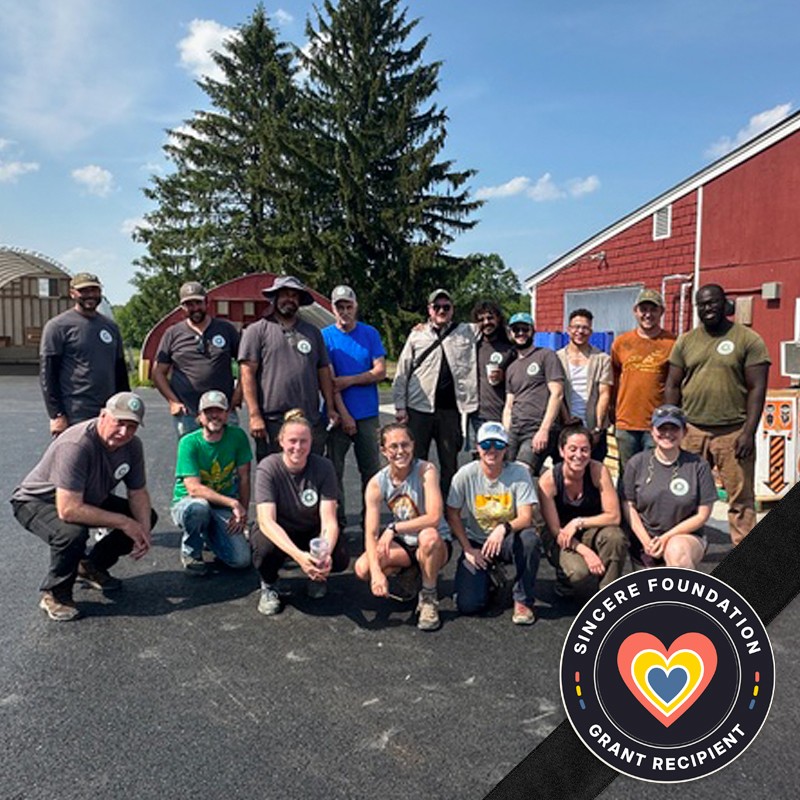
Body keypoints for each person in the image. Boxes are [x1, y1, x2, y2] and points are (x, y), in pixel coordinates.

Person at [10, 392, 155, 621]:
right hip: (38, 501)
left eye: (132, 426)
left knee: (146, 516)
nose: (124, 433)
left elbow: (137, 491)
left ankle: (90, 567)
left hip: (87, 497)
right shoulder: (75, 444)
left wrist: (143, 530)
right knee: (71, 534)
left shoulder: (132, 446)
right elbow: (68, 509)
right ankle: (55, 595)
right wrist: (125, 523)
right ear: (103, 415)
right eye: (119, 423)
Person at [665, 284, 770, 545]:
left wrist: (749, 431)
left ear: (725, 304)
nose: (707, 308)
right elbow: (672, 385)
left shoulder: (747, 339)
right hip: (692, 431)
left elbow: (758, 388)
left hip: (733, 432)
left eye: (712, 303)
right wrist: (674, 424)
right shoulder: (686, 341)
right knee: (683, 493)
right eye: (702, 304)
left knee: (741, 498)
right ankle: (682, 548)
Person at [354, 423, 451, 631]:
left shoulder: (426, 470)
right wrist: (377, 573)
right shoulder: (376, 484)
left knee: (428, 537)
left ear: (413, 445)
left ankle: (428, 597)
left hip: (435, 541)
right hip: (407, 542)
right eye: (393, 447)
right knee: (363, 569)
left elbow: (434, 516)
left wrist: (393, 529)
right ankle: (413, 571)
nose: (400, 451)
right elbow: (371, 533)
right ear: (383, 451)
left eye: (405, 445)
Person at [251, 410, 348, 616]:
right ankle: (269, 584)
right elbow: (267, 521)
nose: (298, 447)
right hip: (280, 529)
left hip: (309, 530)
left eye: (303, 441)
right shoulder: (268, 468)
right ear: (281, 441)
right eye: (292, 441)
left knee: (340, 556)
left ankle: (318, 576)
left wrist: (325, 554)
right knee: (263, 550)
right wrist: (299, 557)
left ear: (311, 441)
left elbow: (330, 520)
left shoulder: (324, 467)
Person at [446, 421, 540, 625]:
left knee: (530, 539)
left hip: (508, 539)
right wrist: (468, 549)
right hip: (478, 543)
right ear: (477, 447)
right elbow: (452, 514)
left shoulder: (519, 473)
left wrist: (503, 528)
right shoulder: (465, 474)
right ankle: (489, 577)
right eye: (486, 444)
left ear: (506, 449)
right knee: (469, 605)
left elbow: (526, 516)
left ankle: (522, 600)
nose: (492, 450)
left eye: (498, 445)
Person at [239, 275, 338, 461]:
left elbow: (323, 371)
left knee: (309, 476)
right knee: (273, 474)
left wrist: (330, 407)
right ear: (274, 298)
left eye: (294, 295)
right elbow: (247, 374)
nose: (290, 299)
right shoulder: (257, 330)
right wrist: (254, 415)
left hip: (309, 419)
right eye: (285, 294)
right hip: (271, 421)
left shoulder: (312, 332)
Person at [392, 288, 479, 497]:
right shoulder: (417, 334)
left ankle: (448, 512)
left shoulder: (467, 331)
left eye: (446, 307)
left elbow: (493, 325)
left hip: (451, 410)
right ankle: (417, 505)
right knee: (415, 460)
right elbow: (402, 371)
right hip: (419, 408)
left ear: (452, 310)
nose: (442, 310)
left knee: (450, 463)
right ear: (429, 310)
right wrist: (400, 406)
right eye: (437, 307)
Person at [620, 404, 718, 569]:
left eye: (674, 429)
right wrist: (646, 541)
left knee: (676, 550)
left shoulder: (698, 465)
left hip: (685, 537)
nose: (667, 434)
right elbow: (628, 505)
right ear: (652, 431)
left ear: (684, 432)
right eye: (662, 428)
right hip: (645, 538)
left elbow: (702, 515)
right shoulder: (637, 463)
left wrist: (665, 538)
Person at [537, 426, 626, 601]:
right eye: (572, 449)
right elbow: (556, 530)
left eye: (584, 450)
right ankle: (565, 578)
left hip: (590, 529)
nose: (579, 455)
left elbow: (614, 516)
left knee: (616, 537)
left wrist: (578, 522)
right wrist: (587, 552)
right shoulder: (549, 481)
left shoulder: (598, 471)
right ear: (562, 451)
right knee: (578, 573)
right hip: (560, 536)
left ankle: (608, 596)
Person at [322, 284, 386, 530]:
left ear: (356, 307)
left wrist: (351, 379)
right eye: (340, 307)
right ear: (333, 308)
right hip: (337, 415)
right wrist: (343, 414)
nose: (345, 311)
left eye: (349, 306)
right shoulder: (325, 337)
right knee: (333, 471)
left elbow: (379, 371)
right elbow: (329, 381)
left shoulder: (370, 334)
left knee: (371, 470)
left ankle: (370, 519)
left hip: (368, 414)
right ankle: (336, 520)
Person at [170, 390, 252, 576]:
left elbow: (244, 477)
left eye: (219, 410)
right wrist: (233, 503)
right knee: (200, 508)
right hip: (189, 503)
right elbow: (194, 488)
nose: (214, 415)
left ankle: (212, 534)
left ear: (227, 414)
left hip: (221, 504)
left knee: (241, 561)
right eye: (208, 411)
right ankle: (191, 551)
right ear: (200, 416)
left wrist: (243, 514)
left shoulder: (238, 437)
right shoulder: (189, 442)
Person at [39, 272, 130, 436]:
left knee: (108, 460)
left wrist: (125, 406)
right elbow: (48, 374)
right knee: (74, 459)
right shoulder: (58, 326)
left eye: (94, 290)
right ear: (72, 293)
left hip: (108, 411)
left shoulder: (110, 327)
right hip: (75, 412)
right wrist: (56, 414)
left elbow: (120, 370)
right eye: (84, 291)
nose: (90, 295)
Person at [152, 281, 242, 438]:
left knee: (227, 460)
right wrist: (172, 401)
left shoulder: (226, 329)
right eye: (189, 304)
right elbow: (158, 372)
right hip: (188, 414)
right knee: (191, 460)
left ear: (207, 302)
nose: (195, 308)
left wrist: (238, 393)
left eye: (198, 303)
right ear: (182, 307)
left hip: (223, 412)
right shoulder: (172, 334)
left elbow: (246, 365)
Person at [610, 288, 676, 471]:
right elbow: (613, 379)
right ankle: (625, 501)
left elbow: (678, 382)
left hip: (658, 422)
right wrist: (611, 409)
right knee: (628, 473)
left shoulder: (672, 343)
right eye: (643, 309)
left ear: (661, 312)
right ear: (635, 311)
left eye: (653, 310)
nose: (648, 314)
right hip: (626, 421)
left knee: (655, 472)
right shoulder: (621, 342)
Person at [502, 312, 565, 476]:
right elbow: (509, 406)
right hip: (515, 429)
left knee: (522, 472)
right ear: (510, 333)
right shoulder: (511, 368)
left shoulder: (546, 355)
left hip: (536, 428)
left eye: (525, 329)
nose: (520, 333)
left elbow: (557, 393)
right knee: (504, 471)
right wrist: (505, 434)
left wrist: (544, 430)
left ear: (532, 331)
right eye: (516, 329)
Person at [556, 309, 613, 462]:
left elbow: (604, 394)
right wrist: (566, 420)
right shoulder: (556, 358)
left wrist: (597, 428)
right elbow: (557, 393)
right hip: (565, 427)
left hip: (593, 427)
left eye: (585, 328)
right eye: (576, 327)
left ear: (591, 331)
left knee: (594, 474)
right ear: (568, 330)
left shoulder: (602, 359)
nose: (580, 331)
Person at [470, 299, 516, 438]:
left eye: (490, 318)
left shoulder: (510, 349)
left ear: (498, 319)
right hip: (476, 415)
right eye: (481, 319)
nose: (486, 323)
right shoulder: (472, 347)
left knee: (503, 457)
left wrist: (503, 377)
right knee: (479, 458)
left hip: (502, 414)